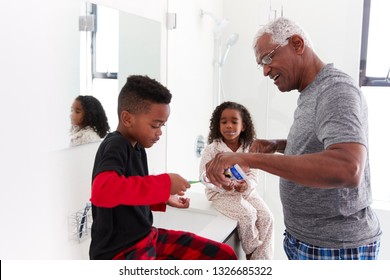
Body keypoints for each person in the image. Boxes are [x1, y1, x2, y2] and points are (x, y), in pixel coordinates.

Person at [205, 17, 382, 260]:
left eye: (268, 58)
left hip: (335, 247)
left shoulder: (336, 90)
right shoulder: (311, 92)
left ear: (297, 44)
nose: (265, 70)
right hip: (306, 240)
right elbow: (322, 146)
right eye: (261, 64)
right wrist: (278, 145)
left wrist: (249, 158)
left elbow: (347, 168)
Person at [89, 75, 237, 260]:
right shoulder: (116, 145)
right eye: (155, 125)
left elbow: (127, 194)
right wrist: (164, 183)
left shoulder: (138, 147)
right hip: (121, 252)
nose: (159, 132)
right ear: (127, 118)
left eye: (162, 125)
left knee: (224, 255)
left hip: (147, 237)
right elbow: (103, 191)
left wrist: (163, 197)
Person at [199, 101, 273, 260]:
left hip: (247, 193)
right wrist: (222, 186)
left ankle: (262, 262)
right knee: (248, 214)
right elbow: (204, 177)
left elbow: (254, 175)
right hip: (220, 195)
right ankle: (251, 252)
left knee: (267, 217)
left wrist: (246, 185)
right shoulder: (212, 149)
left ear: (243, 126)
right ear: (218, 125)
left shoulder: (249, 149)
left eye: (234, 122)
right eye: (224, 122)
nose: (228, 126)